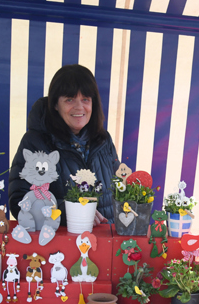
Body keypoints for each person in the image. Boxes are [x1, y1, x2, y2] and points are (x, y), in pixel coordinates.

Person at [8, 64, 119, 227]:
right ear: (55, 104)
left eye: (85, 99)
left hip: (106, 242)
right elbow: (19, 201)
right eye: (69, 99)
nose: (79, 107)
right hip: (61, 245)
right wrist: (65, 211)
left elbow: (119, 187)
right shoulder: (36, 142)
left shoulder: (103, 140)